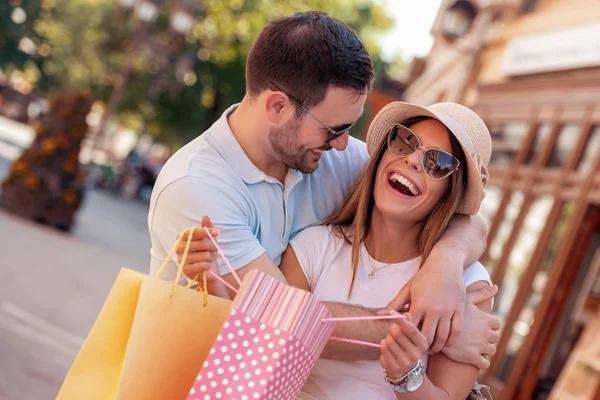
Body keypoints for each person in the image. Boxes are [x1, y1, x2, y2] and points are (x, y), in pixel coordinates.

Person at [150, 11, 498, 365]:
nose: (345, 145)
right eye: (334, 129)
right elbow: (283, 319)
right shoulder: (195, 188)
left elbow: (460, 212)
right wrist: (426, 332)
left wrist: (446, 265)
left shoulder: (333, 159)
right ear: (277, 106)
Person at [181, 101, 497, 398]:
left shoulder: (466, 283)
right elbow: (267, 339)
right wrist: (212, 281)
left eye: (438, 163)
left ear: (451, 192)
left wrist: (408, 377)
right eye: (407, 141)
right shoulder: (313, 247)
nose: (413, 160)